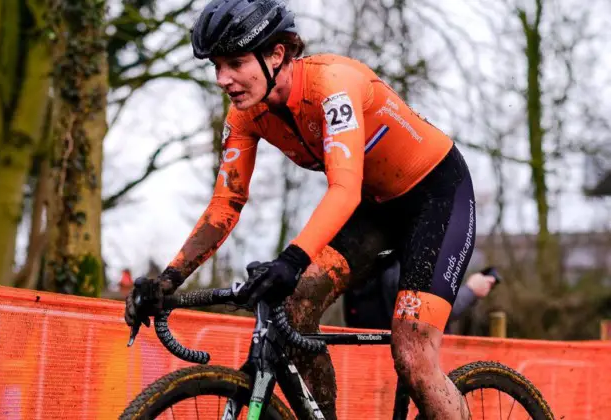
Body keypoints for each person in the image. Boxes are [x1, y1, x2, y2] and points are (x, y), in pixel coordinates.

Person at [125, 1, 476, 418]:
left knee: (413, 351)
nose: (223, 79)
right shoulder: (246, 116)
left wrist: (292, 259)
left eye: (235, 62)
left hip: (435, 196)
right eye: (216, 66)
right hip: (375, 210)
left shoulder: (332, 84)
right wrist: (168, 279)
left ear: (277, 54)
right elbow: (226, 202)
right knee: (296, 307)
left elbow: (343, 190)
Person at [343, 250, 500, 331]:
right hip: (400, 356)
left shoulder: (370, 259)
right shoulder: (397, 260)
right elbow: (430, 308)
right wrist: (471, 290)